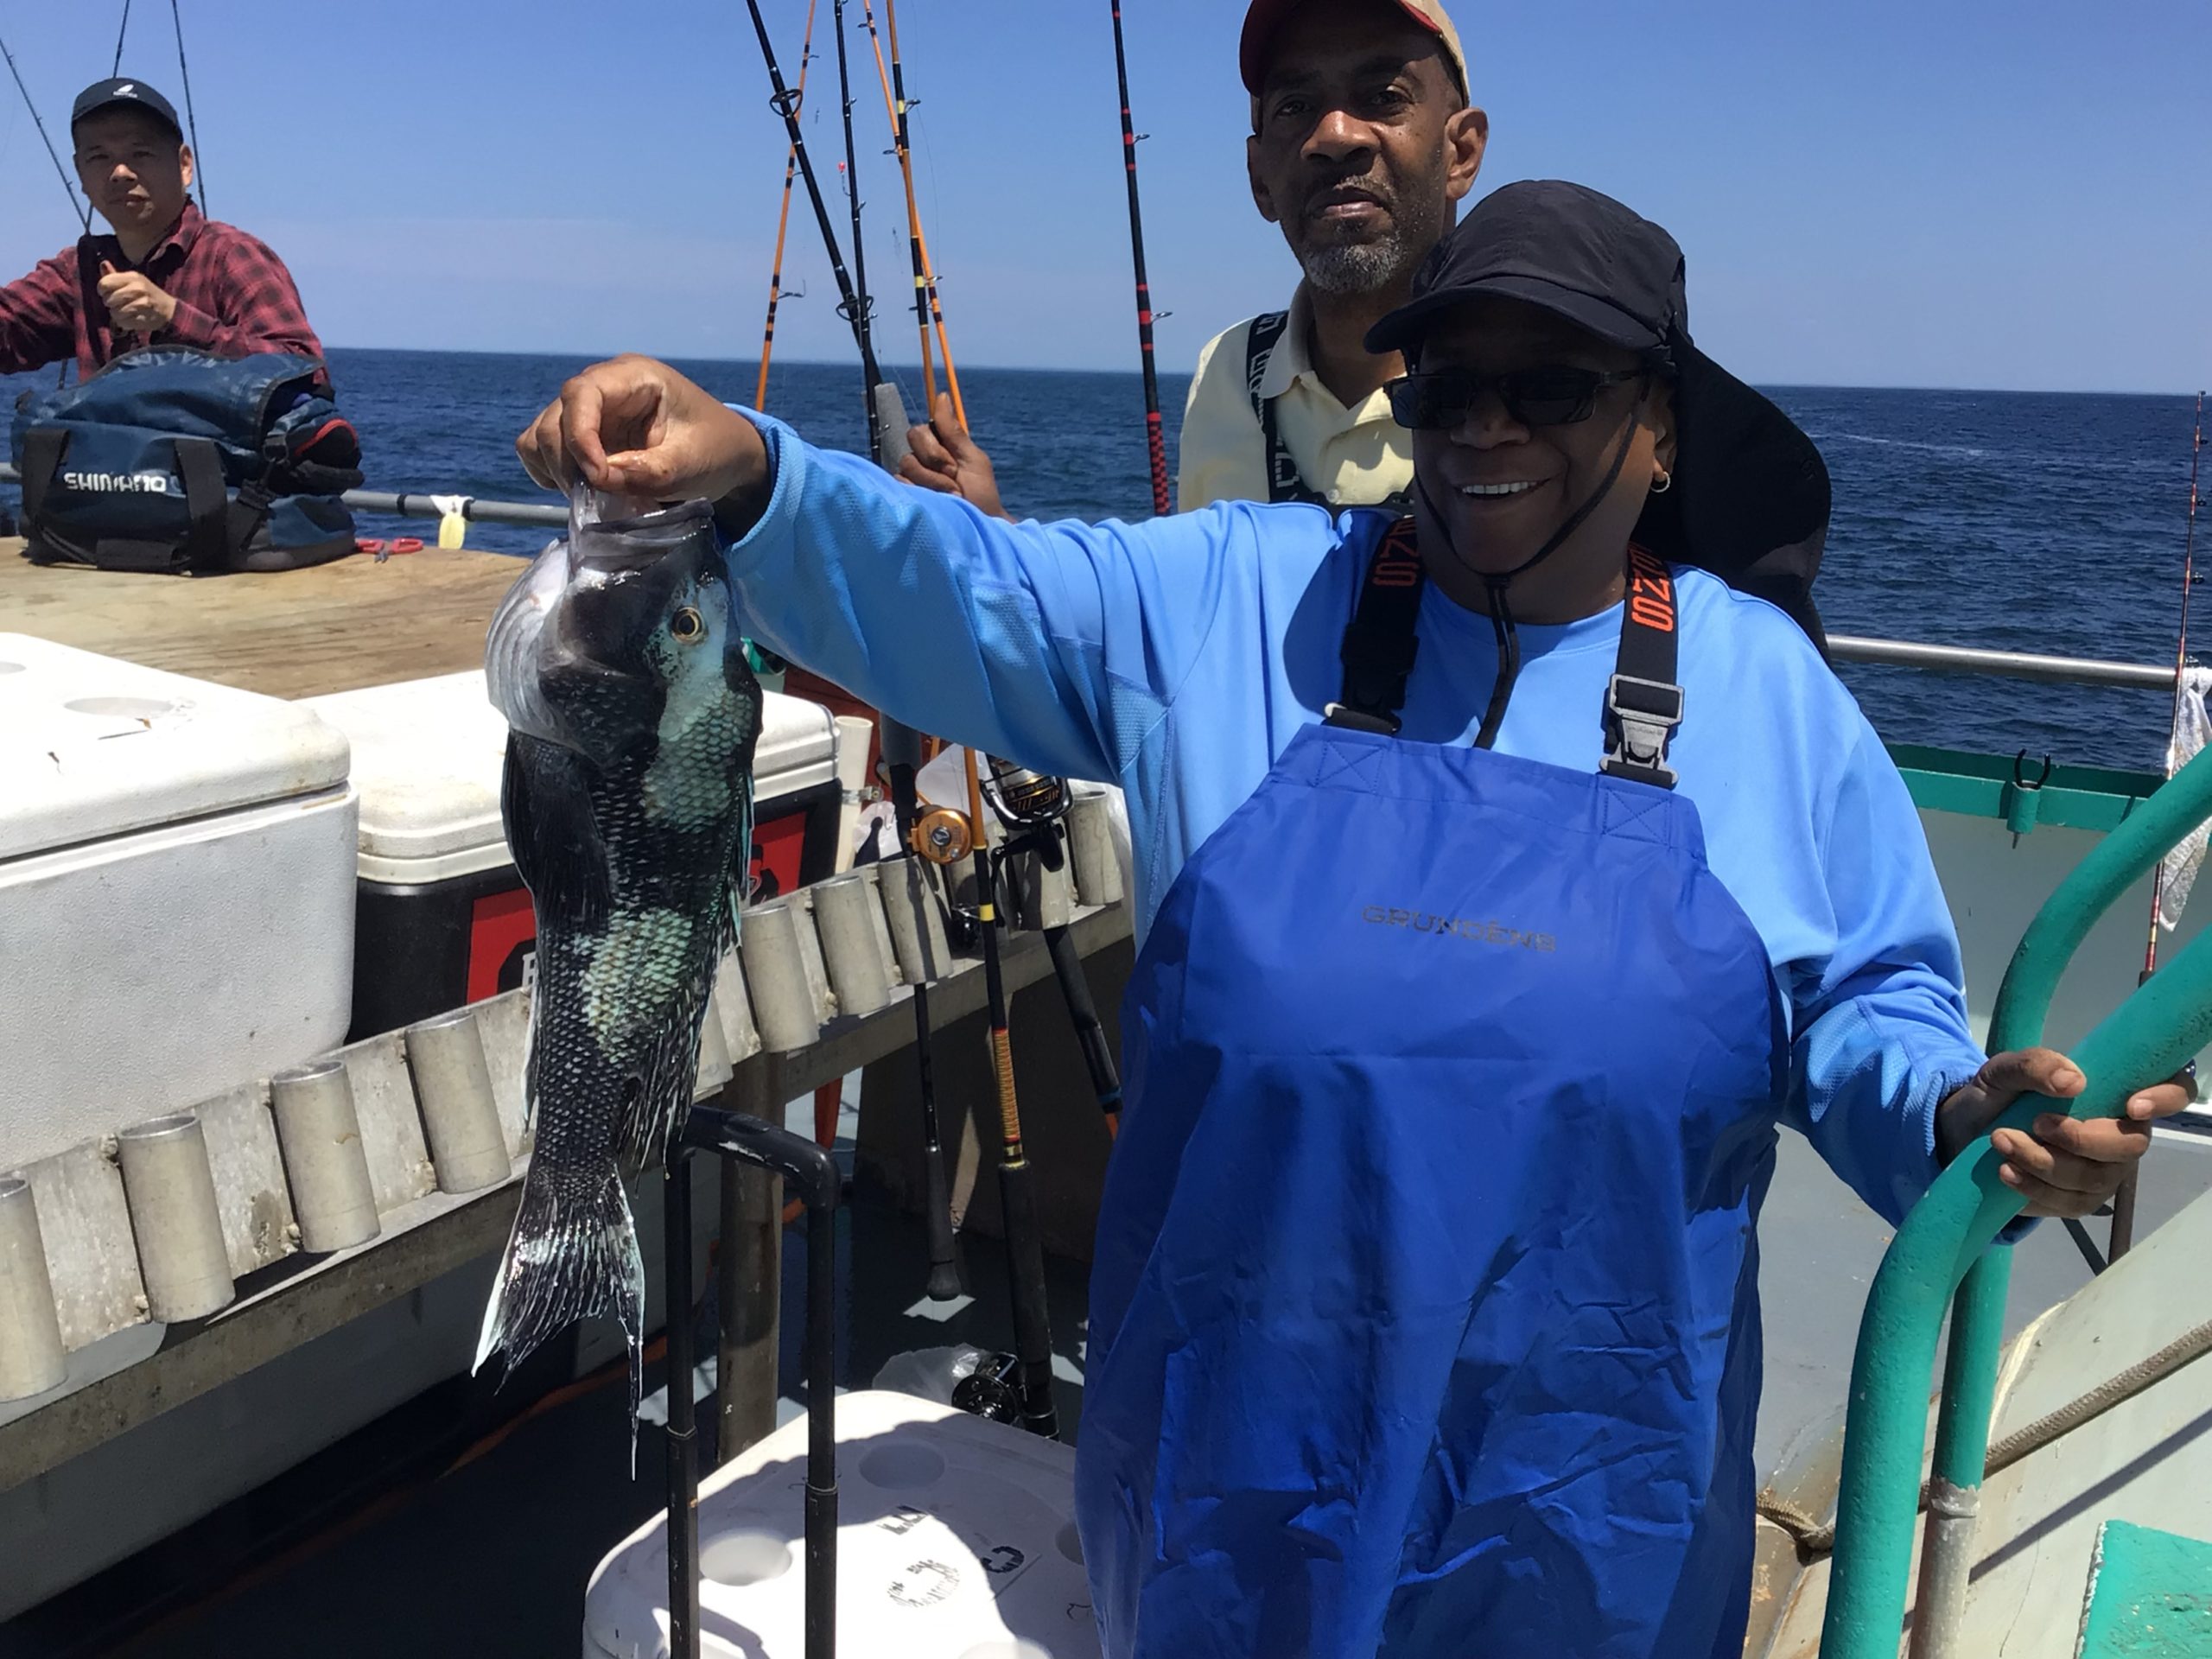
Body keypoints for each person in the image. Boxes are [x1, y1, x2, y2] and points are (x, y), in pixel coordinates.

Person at [517, 183, 2192, 1657]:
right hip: (1222, 1539)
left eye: (1551, 384)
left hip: (1582, 1564)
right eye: (1448, 380)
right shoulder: (1242, 596)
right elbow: (968, 590)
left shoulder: (1773, 707)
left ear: (1661, 430)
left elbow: (1872, 1033)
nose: (1484, 426)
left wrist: (1968, 1115)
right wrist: (750, 470)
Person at [898, 0, 1484, 520]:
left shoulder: (1533, 384)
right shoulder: (1231, 369)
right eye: (1295, 105)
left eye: (1383, 97)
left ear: (1460, 152)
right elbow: (1187, 619)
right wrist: (994, 530)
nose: (1332, 134)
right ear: (1259, 178)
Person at [0, 78, 325, 378]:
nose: (120, 172)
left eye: (140, 153)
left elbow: (305, 369)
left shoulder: (229, 255)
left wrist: (173, 318)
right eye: (99, 157)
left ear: (184, 165)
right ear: (80, 174)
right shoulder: (79, 271)